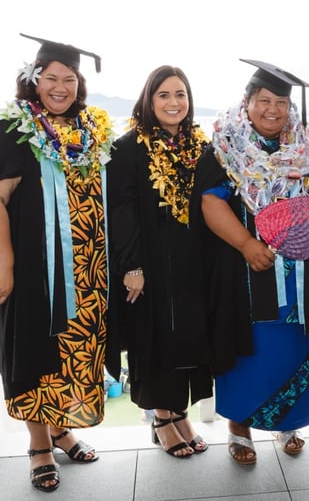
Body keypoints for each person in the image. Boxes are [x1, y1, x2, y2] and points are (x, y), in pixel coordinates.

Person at [0, 34, 119, 492]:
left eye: (70, 80)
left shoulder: (89, 133)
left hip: (86, 274)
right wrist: (4, 266)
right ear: (32, 80)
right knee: (34, 354)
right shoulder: (10, 133)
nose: (60, 87)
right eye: (50, 78)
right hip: (34, 274)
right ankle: (39, 445)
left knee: (70, 354)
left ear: (80, 86)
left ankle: (60, 429)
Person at [191, 59, 309, 464]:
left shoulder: (307, 146)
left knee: (291, 344)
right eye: (264, 100)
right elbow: (210, 202)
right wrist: (246, 244)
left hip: (298, 270)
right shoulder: (224, 147)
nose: (273, 109)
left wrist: (297, 222)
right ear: (247, 102)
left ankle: (289, 421)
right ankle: (239, 426)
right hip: (243, 272)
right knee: (247, 345)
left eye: (282, 102)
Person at [107, 65, 213, 457]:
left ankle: (179, 410)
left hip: (190, 264)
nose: (174, 103)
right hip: (149, 265)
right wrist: (131, 267)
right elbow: (122, 211)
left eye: (180, 94)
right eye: (164, 95)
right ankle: (162, 416)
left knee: (187, 336)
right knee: (154, 339)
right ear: (149, 100)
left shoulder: (198, 146)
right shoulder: (128, 147)